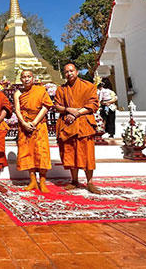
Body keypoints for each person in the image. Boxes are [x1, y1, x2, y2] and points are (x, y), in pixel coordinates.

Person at [53, 63, 101, 194]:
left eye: (71, 71)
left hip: (83, 123)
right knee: (70, 153)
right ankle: (74, 180)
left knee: (87, 154)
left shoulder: (88, 86)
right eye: (66, 72)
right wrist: (68, 110)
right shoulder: (61, 89)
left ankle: (89, 182)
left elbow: (93, 104)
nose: (69, 73)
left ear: (77, 72)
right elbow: (57, 105)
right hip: (67, 125)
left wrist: (76, 113)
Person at [14, 70, 53, 192]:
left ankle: (42, 182)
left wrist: (35, 122)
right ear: (20, 79)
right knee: (27, 153)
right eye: (24, 77)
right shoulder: (18, 93)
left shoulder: (40, 90)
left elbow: (46, 107)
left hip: (39, 124)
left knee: (41, 152)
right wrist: (24, 123)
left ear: (33, 78)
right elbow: (17, 109)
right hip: (24, 124)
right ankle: (32, 181)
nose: (26, 79)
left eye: (28, 77)